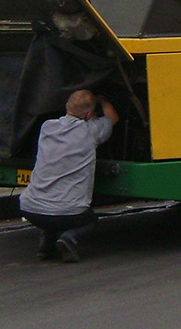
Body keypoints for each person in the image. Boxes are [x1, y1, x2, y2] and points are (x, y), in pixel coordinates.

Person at [20, 89, 118, 262]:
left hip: (29, 208)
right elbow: (112, 118)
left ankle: (46, 245)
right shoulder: (90, 131)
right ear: (89, 114)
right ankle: (68, 238)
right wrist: (103, 100)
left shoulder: (47, 127)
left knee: (51, 210)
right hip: (69, 212)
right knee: (90, 220)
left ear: (67, 106)